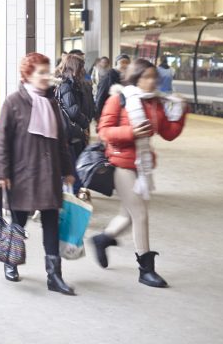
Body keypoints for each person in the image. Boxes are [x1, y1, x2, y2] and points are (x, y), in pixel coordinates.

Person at [92, 59, 187, 288]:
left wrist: (181, 112)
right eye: (147, 77)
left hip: (143, 167)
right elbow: (104, 132)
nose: (152, 81)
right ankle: (146, 269)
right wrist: (131, 132)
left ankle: (102, 239)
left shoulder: (154, 103)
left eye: (154, 77)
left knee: (127, 216)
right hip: (122, 164)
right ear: (136, 78)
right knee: (140, 215)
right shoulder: (119, 99)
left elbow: (168, 133)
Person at [0, 52, 76, 295]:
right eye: (41, 72)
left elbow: (61, 141)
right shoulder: (13, 102)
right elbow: (1, 140)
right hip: (22, 174)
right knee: (19, 221)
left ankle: (54, 276)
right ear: (28, 75)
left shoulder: (51, 102)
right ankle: (11, 262)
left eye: (47, 71)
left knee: (51, 223)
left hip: (49, 174)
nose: (46, 76)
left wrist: (68, 169)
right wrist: (1, 172)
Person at [55, 54, 94, 193]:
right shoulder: (65, 85)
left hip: (76, 132)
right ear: (74, 68)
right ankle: (73, 196)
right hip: (70, 133)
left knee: (76, 166)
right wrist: (85, 124)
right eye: (81, 67)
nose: (83, 70)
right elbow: (73, 111)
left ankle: (75, 193)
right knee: (72, 168)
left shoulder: (76, 84)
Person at [95, 54, 131, 119]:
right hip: (109, 113)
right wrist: (99, 116)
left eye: (127, 63)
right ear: (116, 64)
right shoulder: (109, 77)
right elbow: (100, 97)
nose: (125, 65)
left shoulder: (128, 78)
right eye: (122, 62)